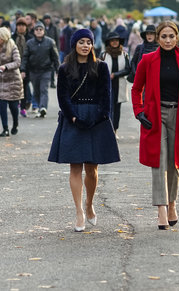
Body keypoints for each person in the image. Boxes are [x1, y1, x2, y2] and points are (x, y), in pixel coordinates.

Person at [48, 28, 120, 232]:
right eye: (82, 42)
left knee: (92, 168)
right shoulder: (64, 69)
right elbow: (62, 97)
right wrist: (72, 116)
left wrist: (99, 116)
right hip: (73, 118)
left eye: (89, 42)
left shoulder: (101, 66)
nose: (86, 45)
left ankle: (89, 204)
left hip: (96, 118)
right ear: (74, 45)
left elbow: (106, 95)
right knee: (75, 167)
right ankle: (79, 211)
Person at [131, 21, 179, 230]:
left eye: (171, 36)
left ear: (177, 37)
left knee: (175, 163)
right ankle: (161, 208)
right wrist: (139, 112)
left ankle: (172, 204)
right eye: (164, 37)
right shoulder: (148, 60)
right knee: (158, 162)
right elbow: (136, 89)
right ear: (157, 38)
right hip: (155, 114)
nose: (168, 40)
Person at [21, 21, 59, 117]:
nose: (38, 31)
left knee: (44, 89)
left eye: (40, 29)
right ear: (34, 31)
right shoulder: (29, 43)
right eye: (36, 29)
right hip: (33, 70)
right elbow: (25, 57)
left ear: (44, 31)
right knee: (36, 90)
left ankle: (43, 107)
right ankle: (39, 108)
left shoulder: (50, 42)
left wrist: (58, 70)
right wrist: (23, 70)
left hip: (46, 70)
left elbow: (55, 57)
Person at [100, 32, 131, 132]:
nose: (114, 42)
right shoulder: (103, 55)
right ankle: (107, 129)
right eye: (112, 40)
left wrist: (115, 74)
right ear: (109, 42)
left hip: (119, 84)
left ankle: (115, 130)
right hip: (106, 84)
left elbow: (128, 69)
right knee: (108, 107)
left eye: (116, 40)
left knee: (117, 109)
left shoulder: (124, 54)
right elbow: (98, 69)